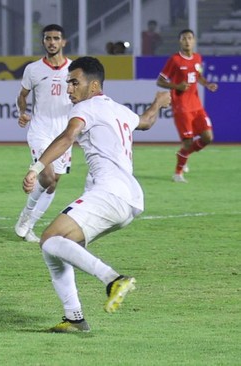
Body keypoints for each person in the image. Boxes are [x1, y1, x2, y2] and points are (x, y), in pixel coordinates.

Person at [23, 56, 171, 332]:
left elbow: (67, 137)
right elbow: (147, 122)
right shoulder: (119, 110)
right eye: (68, 82)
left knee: (49, 239)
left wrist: (36, 167)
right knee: (57, 248)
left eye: (74, 82)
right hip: (129, 200)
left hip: (109, 192)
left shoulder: (87, 108)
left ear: (93, 86)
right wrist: (159, 103)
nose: (69, 88)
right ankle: (74, 317)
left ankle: (113, 279)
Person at [15, 24, 73, 243]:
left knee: (53, 182)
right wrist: (22, 112)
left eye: (56, 38)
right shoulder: (33, 69)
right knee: (46, 176)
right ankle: (25, 216)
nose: (51, 42)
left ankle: (29, 224)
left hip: (64, 133)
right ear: (43, 42)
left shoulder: (74, 69)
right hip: (40, 129)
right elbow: (22, 95)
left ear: (63, 42)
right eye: (48, 38)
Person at [157, 29, 217, 183]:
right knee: (188, 142)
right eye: (184, 38)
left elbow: (198, 76)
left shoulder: (197, 58)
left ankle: (184, 155)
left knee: (208, 137)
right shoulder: (175, 60)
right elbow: (160, 81)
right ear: (180, 41)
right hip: (181, 107)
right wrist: (176, 86)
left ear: (194, 41)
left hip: (197, 106)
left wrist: (207, 84)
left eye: (190, 38)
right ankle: (177, 173)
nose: (187, 41)